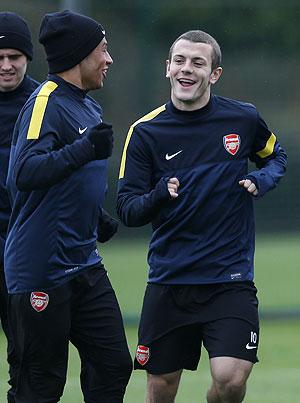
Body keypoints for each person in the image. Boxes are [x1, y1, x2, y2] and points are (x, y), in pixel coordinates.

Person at [117, 30, 287, 403]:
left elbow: (277, 156)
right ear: (167, 68)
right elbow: (127, 209)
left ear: (214, 74)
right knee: (162, 388)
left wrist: (262, 179)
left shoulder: (243, 119)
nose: (187, 69)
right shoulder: (145, 132)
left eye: (198, 62)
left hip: (229, 277)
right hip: (170, 279)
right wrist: (160, 194)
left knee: (230, 379)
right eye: (180, 61)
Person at [5, 10, 132, 403]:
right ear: (79, 55)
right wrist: (83, 149)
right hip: (43, 268)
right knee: (40, 384)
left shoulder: (86, 105)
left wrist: (96, 218)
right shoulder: (44, 101)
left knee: (113, 364)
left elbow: (67, 185)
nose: (108, 60)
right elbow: (23, 172)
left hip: (84, 262)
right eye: (102, 50)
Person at [0, 11, 39, 402]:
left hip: (24, 246)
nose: (7, 65)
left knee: (25, 352)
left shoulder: (43, 102)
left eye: (14, 55)